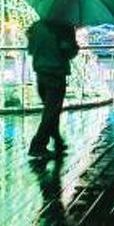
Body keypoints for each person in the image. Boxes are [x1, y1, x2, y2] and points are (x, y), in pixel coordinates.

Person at [26, 19, 79, 158]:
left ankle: (58, 141)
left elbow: (31, 50)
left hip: (40, 72)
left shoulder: (36, 26)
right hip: (56, 72)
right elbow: (69, 52)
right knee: (52, 111)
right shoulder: (64, 27)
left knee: (51, 110)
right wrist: (74, 46)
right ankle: (38, 145)